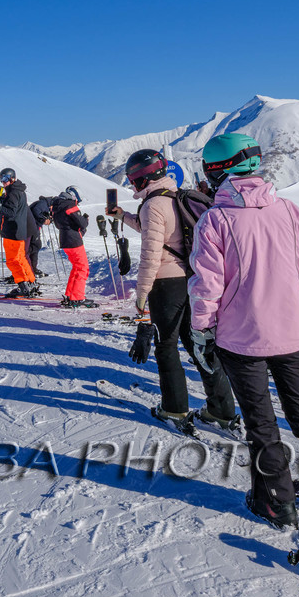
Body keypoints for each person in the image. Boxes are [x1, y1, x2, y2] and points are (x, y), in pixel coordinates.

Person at [187, 133, 299, 529]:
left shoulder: (216, 219)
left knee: (261, 423)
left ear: (217, 171)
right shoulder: (291, 211)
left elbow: (207, 285)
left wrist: (201, 331)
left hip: (241, 340)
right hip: (294, 334)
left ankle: (276, 502)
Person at [112, 149, 240, 433]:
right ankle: (222, 410)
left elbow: (151, 256)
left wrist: (142, 295)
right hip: (193, 281)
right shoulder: (177, 197)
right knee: (200, 346)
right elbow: (160, 232)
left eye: (133, 179)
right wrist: (124, 217)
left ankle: (174, 408)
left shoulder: (152, 206)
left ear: (142, 178)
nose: (132, 184)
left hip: (166, 285)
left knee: (166, 347)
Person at [0, 167, 40, 298]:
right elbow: (12, 208)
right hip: (18, 231)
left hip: (12, 232)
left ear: (12, 178)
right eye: (1, 179)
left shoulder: (13, 193)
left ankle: (23, 286)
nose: (3, 182)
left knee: (12, 261)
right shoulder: (18, 191)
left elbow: (11, 212)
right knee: (21, 259)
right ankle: (31, 281)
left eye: (5, 179)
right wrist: (0, 203)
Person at [51, 187, 94, 307]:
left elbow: (59, 224)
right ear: (74, 197)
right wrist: (85, 219)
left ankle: (71, 295)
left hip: (64, 240)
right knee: (82, 268)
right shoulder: (70, 206)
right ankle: (77, 297)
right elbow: (82, 223)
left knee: (76, 267)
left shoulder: (58, 206)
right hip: (74, 241)